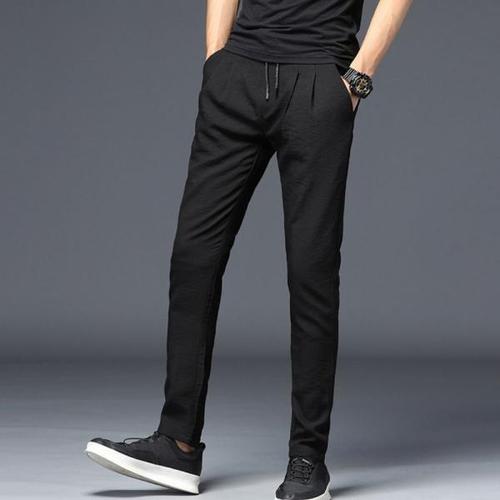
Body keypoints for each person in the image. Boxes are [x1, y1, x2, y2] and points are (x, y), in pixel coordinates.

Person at [85, 0, 413, 498]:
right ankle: (177, 443)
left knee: (311, 269)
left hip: (318, 78)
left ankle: (307, 457)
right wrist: (215, 60)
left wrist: (357, 77)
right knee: (193, 257)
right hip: (236, 74)